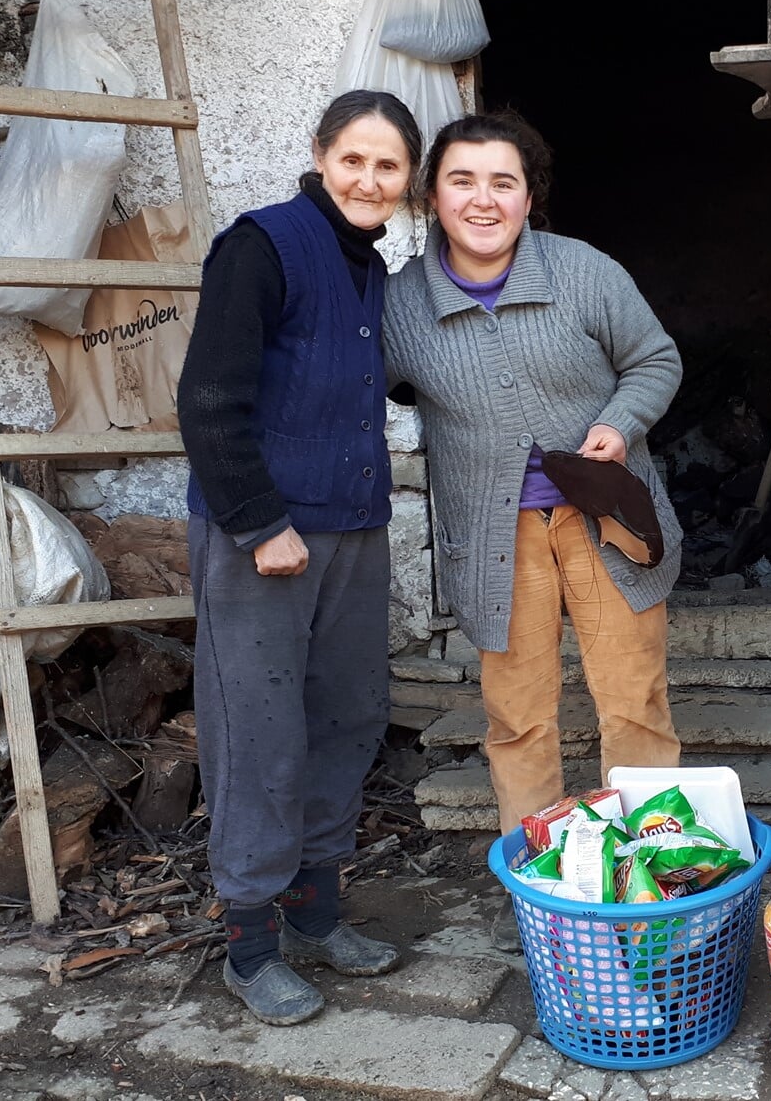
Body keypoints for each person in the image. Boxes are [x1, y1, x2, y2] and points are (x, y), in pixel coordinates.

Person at [178, 90, 421, 1025]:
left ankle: (317, 910)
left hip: (352, 529)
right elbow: (208, 400)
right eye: (353, 159)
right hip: (265, 539)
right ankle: (249, 942)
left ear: (405, 184)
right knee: (258, 733)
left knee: (347, 716)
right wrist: (256, 521)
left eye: (388, 166)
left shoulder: (371, 268)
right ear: (320, 156)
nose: (368, 179)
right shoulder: (264, 245)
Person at [382, 112, 684, 838]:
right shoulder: (399, 306)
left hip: (602, 522)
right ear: (431, 196)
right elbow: (359, 387)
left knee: (633, 704)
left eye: (503, 183)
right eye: (462, 180)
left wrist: (618, 423)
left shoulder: (582, 271)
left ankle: (658, 880)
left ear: (527, 196)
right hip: (493, 540)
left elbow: (654, 360)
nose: (482, 200)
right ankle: (544, 880)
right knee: (517, 717)